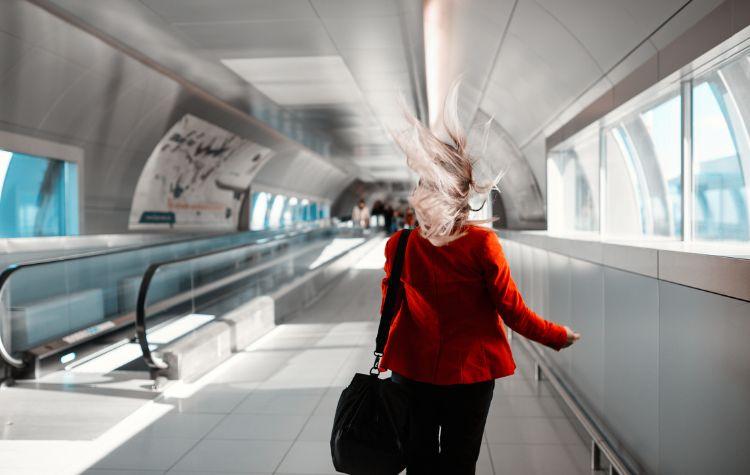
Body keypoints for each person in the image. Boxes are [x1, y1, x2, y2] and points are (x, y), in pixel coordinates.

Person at [378, 84, 581, 475]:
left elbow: (390, 307)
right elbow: (513, 312)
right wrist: (557, 336)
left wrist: (391, 355)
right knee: (458, 463)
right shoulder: (482, 244)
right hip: (470, 376)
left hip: (412, 371)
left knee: (418, 462)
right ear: (463, 194)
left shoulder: (399, 245)